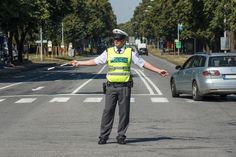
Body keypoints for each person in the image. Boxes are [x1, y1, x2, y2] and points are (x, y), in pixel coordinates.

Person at [69, 29, 169, 145]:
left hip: (125, 87)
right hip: (111, 87)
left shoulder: (130, 52)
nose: (116, 41)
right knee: (108, 111)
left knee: (124, 113)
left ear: (124, 41)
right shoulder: (109, 51)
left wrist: (158, 70)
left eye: (119, 39)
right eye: (115, 39)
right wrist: (79, 63)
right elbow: (96, 61)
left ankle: (121, 136)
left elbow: (142, 63)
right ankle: (103, 136)